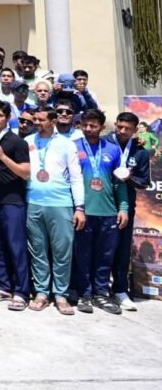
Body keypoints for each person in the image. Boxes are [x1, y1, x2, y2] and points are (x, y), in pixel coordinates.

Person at [25, 106, 84, 315]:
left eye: (41, 119)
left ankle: (60, 294)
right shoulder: (28, 141)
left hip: (60, 203)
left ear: (53, 121)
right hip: (33, 202)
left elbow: (76, 177)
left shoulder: (66, 144)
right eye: (35, 119)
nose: (37, 123)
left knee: (62, 251)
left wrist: (79, 207)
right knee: (37, 250)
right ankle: (42, 292)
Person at [72, 109, 126, 315]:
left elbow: (120, 182)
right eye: (85, 125)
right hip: (83, 211)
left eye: (93, 125)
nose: (88, 129)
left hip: (108, 211)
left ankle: (101, 293)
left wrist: (123, 208)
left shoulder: (112, 149)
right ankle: (84, 294)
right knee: (83, 255)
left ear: (102, 127)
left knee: (105, 256)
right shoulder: (73, 147)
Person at [0, 100, 32, 311]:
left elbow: (25, 172)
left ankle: (22, 291)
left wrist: (2, 156)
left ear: (8, 117)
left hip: (12, 201)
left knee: (16, 247)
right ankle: (3, 286)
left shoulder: (17, 142)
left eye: (0, 115)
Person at [107, 111, 152, 311]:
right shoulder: (103, 143)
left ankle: (119, 290)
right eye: (120, 126)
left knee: (122, 249)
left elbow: (144, 182)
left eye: (127, 128)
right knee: (98, 248)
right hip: (101, 203)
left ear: (135, 130)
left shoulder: (140, 151)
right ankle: (95, 289)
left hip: (125, 206)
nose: (122, 131)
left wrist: (129, 179)